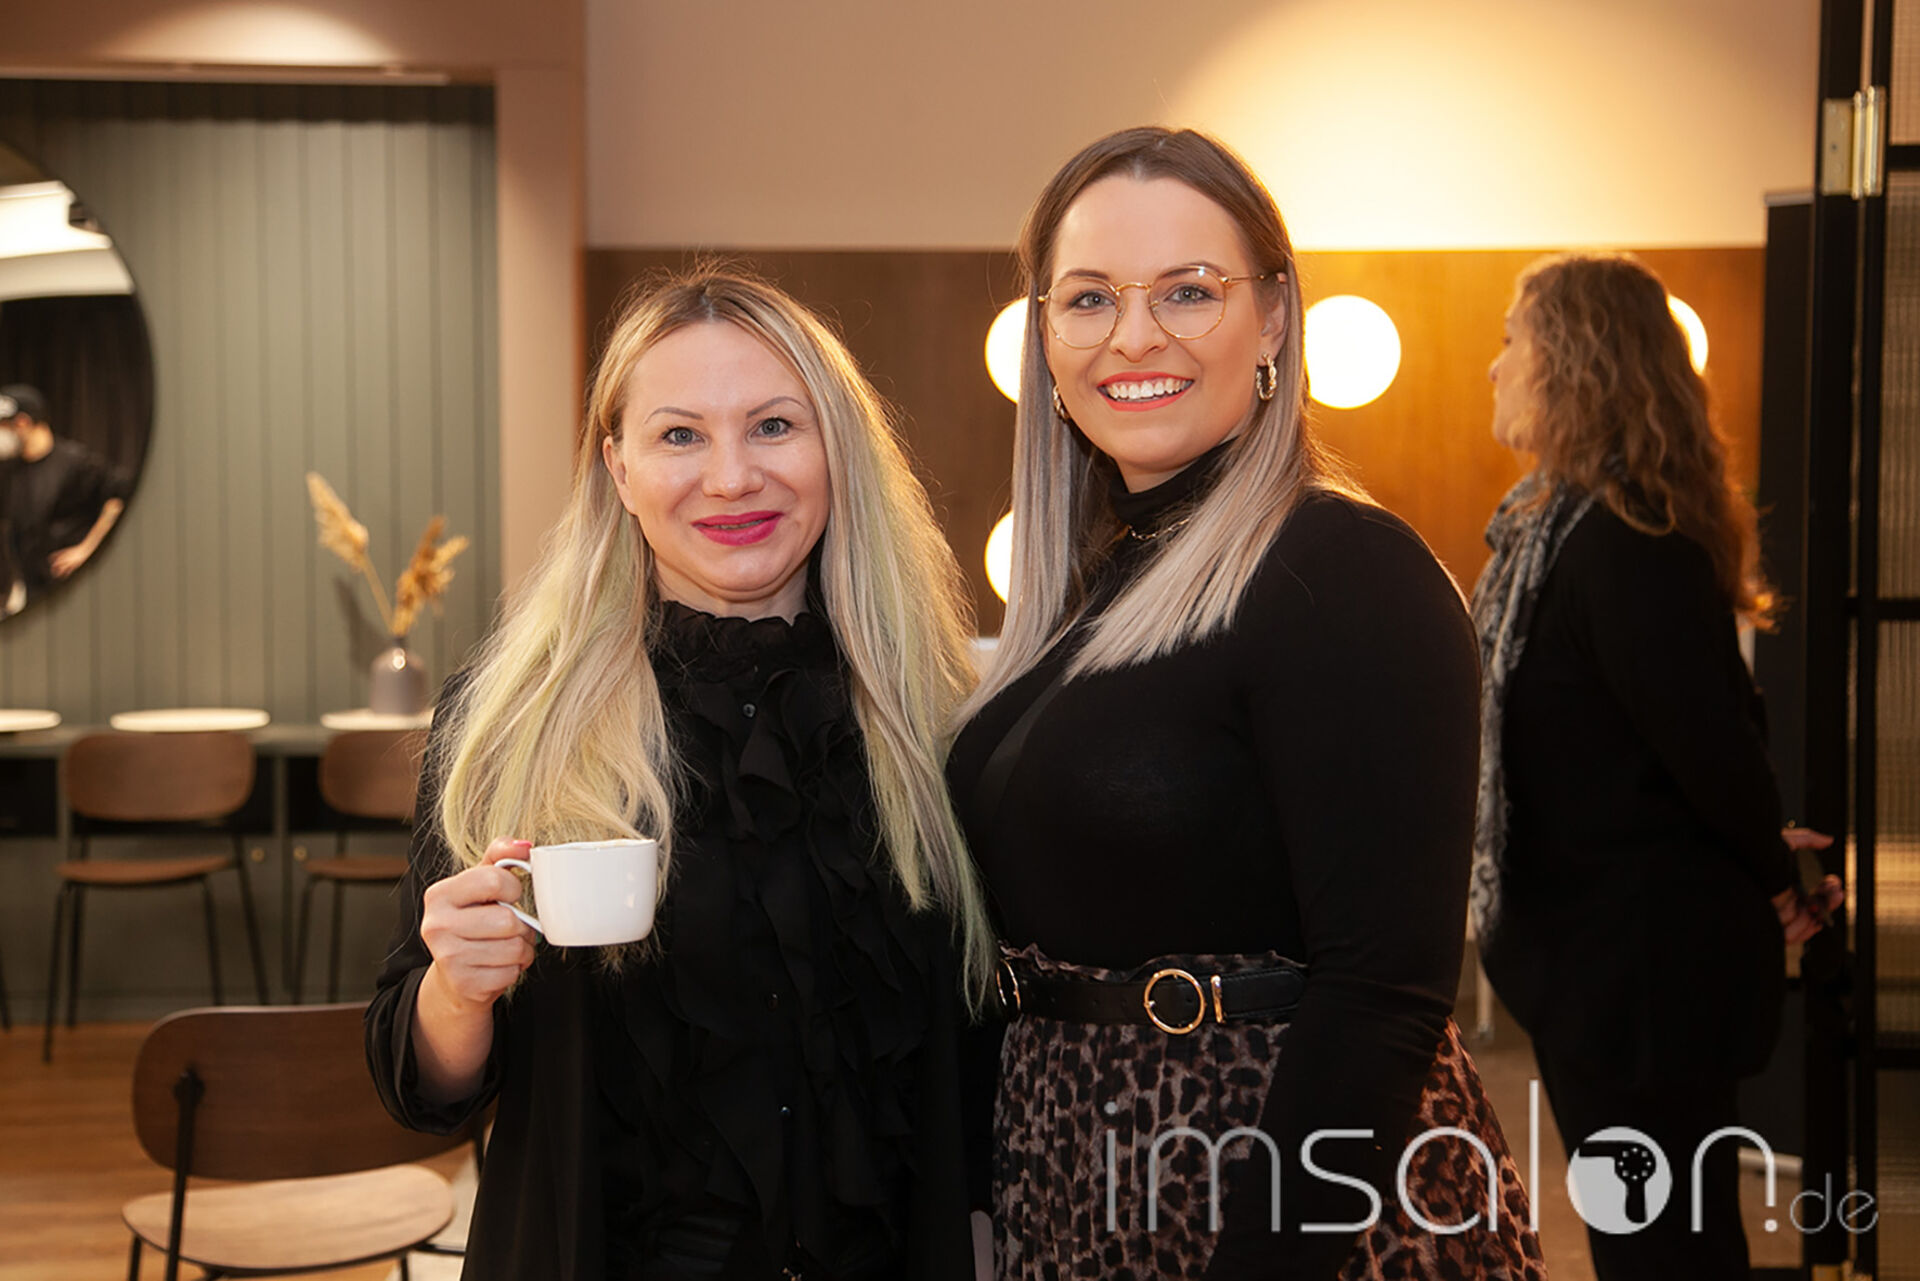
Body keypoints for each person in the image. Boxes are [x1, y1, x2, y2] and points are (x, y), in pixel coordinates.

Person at [946, 126, 1545, 1280]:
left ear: (1273, 318)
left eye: (1187, 290)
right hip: (1083, 1180)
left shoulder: (1341, 571)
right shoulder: (1096, 584)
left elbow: (1382, 994)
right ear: (1045, 338)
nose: (1134, 336)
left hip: (1278, 1202)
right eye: (1089, 299)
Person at [366, 269, 994, 1280]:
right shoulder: (512, 717)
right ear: (618, 468)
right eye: (680, 435)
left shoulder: (934, 716)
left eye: (774, 426)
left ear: (837, 449)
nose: (733, 477)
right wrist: (457, 989)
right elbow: (421, 1086)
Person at [1471, 251, 1843, 1281]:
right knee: (1646, 1238)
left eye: (1512, 339)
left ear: (1576, 360)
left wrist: (1779, 873)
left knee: (1667, 1249)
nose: (1495, 366)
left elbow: (1712, 753)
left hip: (1643, 980)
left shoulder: (1623, 541)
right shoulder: (1555, 528)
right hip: (1602, 967)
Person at [0, 383, 125, 613]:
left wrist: (86, 549)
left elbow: (117, 498)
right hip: (34, 594)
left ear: (22, 423)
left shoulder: (75, 463)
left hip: (77, 590)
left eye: (2, 426)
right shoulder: (10, 472)